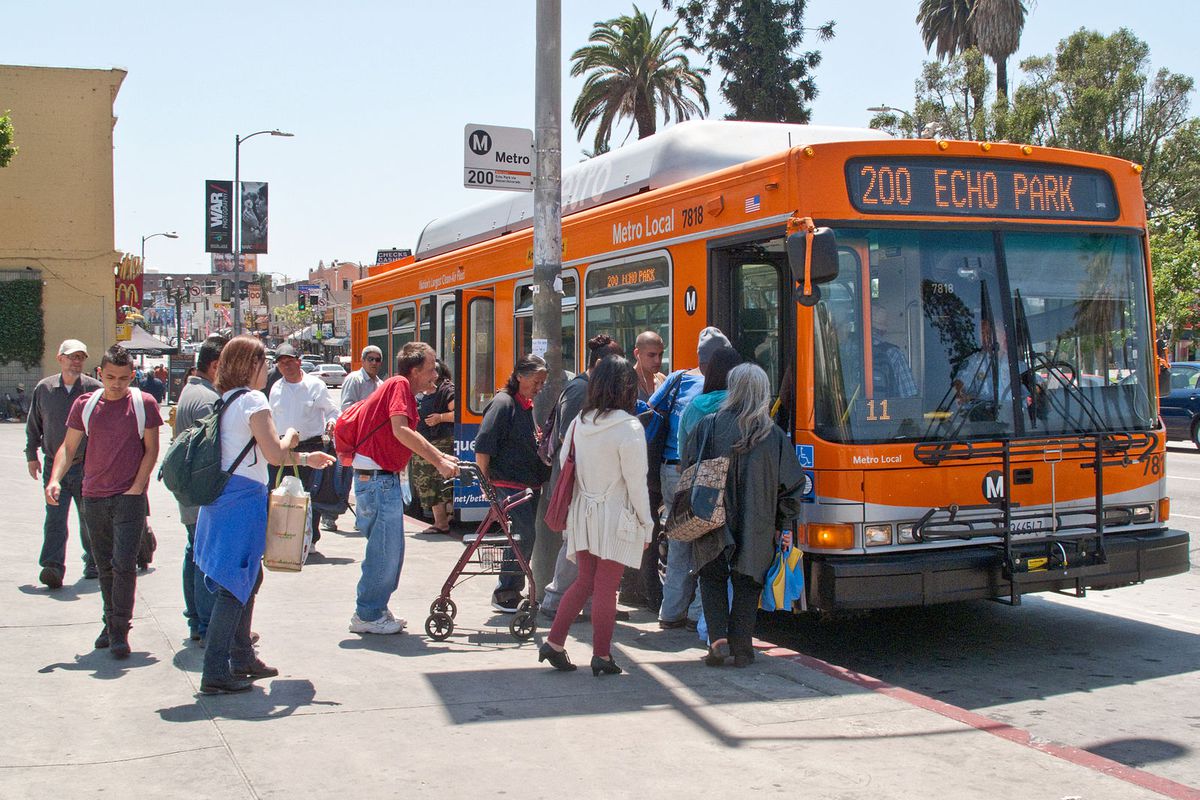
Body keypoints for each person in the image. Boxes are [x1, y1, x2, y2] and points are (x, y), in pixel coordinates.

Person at [193, 335, 335, 694]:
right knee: (235, 584)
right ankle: (217, 669)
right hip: (243, 501)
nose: (268, 370)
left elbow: (256, 453)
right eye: (263, 363)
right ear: (250, 366)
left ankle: (240, 657)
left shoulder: (226, 400)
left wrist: (305, 459)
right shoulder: (253, 399)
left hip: (223, 499)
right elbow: (273, 453)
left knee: (245, 580)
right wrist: (290, 436)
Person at [538, 356, 653, 676]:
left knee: (585, 581)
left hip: (582, 514)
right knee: (607, 587)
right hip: (615, 518)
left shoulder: (579, 423)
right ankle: (601, 655)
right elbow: (636, 483)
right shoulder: (629, 427)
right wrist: (647, 524)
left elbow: (565, 463)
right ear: (626, 388)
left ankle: (555, 642)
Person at [46, 344, 163, 658]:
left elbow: (151, 449)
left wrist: (137, 487)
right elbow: (68, 448)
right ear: (100, 374)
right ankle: (111, 622)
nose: (116, 384)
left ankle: (120, 630)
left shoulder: (144, 403)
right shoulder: (85, 405)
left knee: (124, 565)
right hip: (94, 497)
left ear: (132, 376)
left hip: (129, 497)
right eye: (110, 377)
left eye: (123, 378)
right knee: (104, 566)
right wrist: (55, 479)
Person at [685, 363, 805, 668]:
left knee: (711, 576)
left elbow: (687, 468)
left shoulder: (707, 426)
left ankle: (718, 641)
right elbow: (790, 484)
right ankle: (742, 646)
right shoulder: (773, 435)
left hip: (710, 514)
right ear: (763, 393)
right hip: (757, 519)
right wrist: (785, 524)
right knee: (748, 580)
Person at [346, 341, 459, 635]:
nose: (436, 375)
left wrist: (443, 457)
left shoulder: (403, 389)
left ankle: (375, 609)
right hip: (377, 480)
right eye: (432, 369)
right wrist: (438, 460)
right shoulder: (398, 385)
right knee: (385, 552)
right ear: (414, 370)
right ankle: (368, 613)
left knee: (389, 551)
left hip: (380, 479)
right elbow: (401, 430)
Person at [537, 335, 625, 618]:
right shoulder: (579, 391)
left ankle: (580, 601)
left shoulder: (590, 389)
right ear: (599, 365)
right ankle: (555, 600)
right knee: (576, 542)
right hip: (576, 482)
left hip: (589, 481)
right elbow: (569, 438)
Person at [648, 326, 728, 629]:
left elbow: (650, 409)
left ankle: (671, 611)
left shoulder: (678, 378)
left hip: (671, 469)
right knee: (707, 540)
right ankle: (698, 612)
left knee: (679, 538)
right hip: (706, 472)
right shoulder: (727, 390)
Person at [476, 354, 550, 613]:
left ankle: (511, 589)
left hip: (527, 485)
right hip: (509, 485)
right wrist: (488, 490)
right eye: (536, 382)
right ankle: (505, 591)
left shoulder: (524, 405)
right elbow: (483, 447)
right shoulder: (503, 403)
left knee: (522, 538)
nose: (539, 388)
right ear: (520, 376)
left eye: (543, 383)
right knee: (522, 536)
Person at [26, 339, 102, 587]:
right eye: (71, 356)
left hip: (86, 465)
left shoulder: (95, 390)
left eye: (80, 357)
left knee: (88, 516)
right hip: (53, 466)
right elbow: (34, 425)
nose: (76, 361)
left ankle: (93, 561)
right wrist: (31, 455)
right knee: (55, 517)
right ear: (60, 359)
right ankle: (52, 566)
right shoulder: (44, 389)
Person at [173, 335, 227, 644]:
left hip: (190, 491)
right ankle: (208, 625)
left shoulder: (191, 391)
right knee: (206, 559)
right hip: (202, 492)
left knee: (194, 554)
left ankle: (197, 620)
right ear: (216, 365)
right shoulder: (208, 399)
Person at [268, 342, 338, 544]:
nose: (286, 367)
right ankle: (283, 539)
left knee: (309, 495)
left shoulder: (315, 385)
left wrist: (332, 422)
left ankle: (310, 539)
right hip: (283, 448)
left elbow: (332, 411)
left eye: (290, 362)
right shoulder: (275, 388)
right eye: (281, 364)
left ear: (299, 362)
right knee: (280, 493)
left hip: (310, 446)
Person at [412, 360, 456, 533]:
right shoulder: (422, 393)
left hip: (440, 442)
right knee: (428, 483)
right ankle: (442, 520)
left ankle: (442, 522)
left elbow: (458, 414)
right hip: (423, 442)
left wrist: (440, 418)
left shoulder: (446, 390)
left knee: (436, 482)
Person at [678, 345, 741, 447]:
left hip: (697, 463)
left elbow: (682, 447)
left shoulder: (693, 406)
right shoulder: (741, 405)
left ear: (709, 372)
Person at [869, 306, 918, 398]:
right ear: (884, 331)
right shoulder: (893, 353)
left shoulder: (849, 348)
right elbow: (909, 395)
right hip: (885, 410)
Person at [340, 345, 385, 411]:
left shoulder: (381, 384)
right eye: (370, 359)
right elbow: (346, 407)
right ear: (363, 361)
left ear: (380, 363)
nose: (374, 363)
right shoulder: (354, 379)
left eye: (377, 360)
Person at [633, 330, 667, 402]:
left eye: (660, 354)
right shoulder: (626, 383)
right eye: (651, 355)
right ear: (637, 354)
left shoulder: (662, 380)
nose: (657, 360)